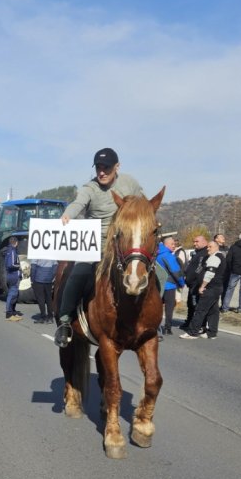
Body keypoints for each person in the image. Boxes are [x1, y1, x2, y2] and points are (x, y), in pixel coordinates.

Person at [53, 148, 144, 347]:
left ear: (117, 167)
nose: (101, 172)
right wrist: (68, 214)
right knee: (78, 275)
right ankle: (65, 321)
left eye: (106, 168)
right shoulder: (90, 188)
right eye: (98, 168)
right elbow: (78, 203)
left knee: (157, 274)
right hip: (95, 246)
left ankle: (151, 322)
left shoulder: (130, 183)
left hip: (124, 246)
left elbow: (142, 204)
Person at [180, 240, 224, 339]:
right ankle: (212, 333)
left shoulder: (215, 257)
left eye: (210, 247)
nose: (208, 249)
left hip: (211, 288)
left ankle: (193, 332)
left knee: (200, 310)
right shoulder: (218, 256)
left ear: (217, 247)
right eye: (207, 247)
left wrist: (202, 286)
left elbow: (210, 274)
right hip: (216, 287)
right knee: (213, 310)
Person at [156, 233, 186, 336]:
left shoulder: (157, 254)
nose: (174, 246)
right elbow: (175, 271)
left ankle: (154, 327)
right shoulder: (168, 255)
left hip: (157, 285)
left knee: (157, 307)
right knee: (169, 307)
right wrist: (182, 283)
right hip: (169, 285)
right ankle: (167, 328)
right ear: (167, 244)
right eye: (172, 244)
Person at [181, 234, 209, 332]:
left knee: (196, 305)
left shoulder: (204, 253)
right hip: (191, 284)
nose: (194, 244)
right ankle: (189, 322)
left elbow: (199, 269)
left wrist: (193, 279)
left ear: (204, 242)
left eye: (197, 241)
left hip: (197, 284)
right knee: (190, 305)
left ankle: (200, 325)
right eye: (194, 241)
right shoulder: (197, 252)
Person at [30, 256, 56, 323]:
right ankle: (50, 317)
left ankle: (43, 317)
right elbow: (55, 266)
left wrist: (32, 279)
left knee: (40, 298)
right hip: (49, 279)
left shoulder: (37, 252)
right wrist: (51, 277)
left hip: (38, 279)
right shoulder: (51, 252)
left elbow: (33, 267)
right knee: (49, 298)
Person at [4, 237, 22, 321]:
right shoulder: (12, 251)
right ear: (16, 242)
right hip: (13, 276)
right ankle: (9, 314)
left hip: (12, 275)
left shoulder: (9, 250)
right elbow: (10, 265)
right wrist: (20, 266)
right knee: (12, 295)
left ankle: (13, 312)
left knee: (15, 294)